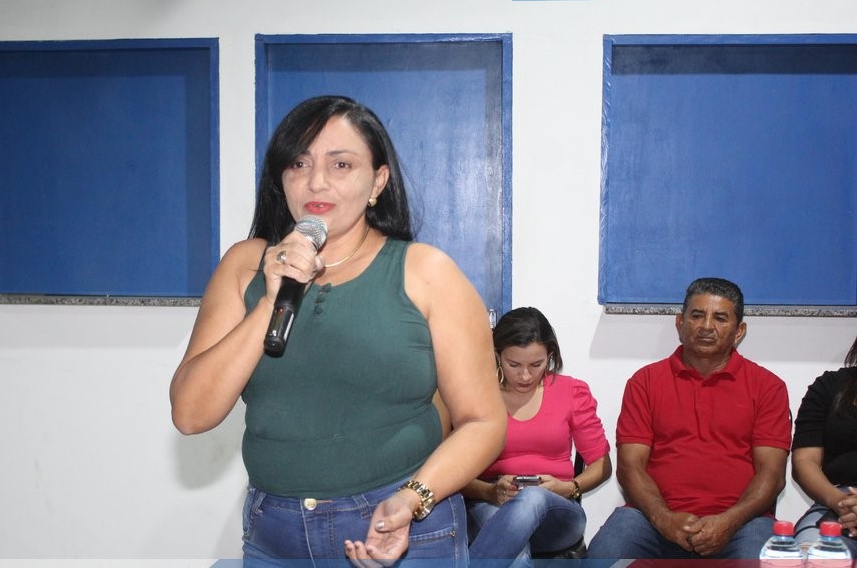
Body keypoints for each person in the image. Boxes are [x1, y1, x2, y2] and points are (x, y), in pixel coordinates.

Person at [169, 95, 506, 566]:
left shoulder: (426, 272)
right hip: (275, 536)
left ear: (378, 181)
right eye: (299, 163)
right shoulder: (245, 267)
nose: (316, 181)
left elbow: (484, 422)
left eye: (341, 164)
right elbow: (190, 414)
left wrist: (412, 498)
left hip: (402, 529)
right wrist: (269, 301)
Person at [586, 277, 792, 560]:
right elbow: (630, 466)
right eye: (697, 315)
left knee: (766, 558)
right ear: (679, 322)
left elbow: (772, 475)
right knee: (604, 554)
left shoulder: (768, 387)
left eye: (720, 318)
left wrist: (728, 522)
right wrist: (663, 518)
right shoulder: (645, 382)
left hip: (741, 524)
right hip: (652, 520)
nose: (706, 326)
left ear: (739, 331)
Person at [461, 307, 612, 566]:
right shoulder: (477, 395)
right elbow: (455, 473)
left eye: (536, 364)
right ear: (497, 356)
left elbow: (602, 465)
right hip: (492, 503)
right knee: (514, 551)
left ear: (550, 356)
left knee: (532, 498)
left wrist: (568, 487)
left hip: (558, 510)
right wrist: (490, 492)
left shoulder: (571, 392)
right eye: (514, 364)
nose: (525, 375)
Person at [790, 333, 857, 554]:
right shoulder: (830, 386)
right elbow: (805, 461)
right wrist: (840, 502)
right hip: (840, 503)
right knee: (811, 554)